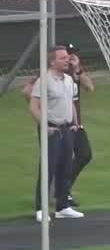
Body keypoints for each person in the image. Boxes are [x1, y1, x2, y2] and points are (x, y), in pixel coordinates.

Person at [27, 45, 84, 220]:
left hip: (67, 129)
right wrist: (45, 126)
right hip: (52, 130)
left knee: (65, 168)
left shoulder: (69, 79)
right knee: (48, 168)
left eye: (67, 57)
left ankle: (62, 206)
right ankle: (41, 208)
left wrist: (75, 123)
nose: (67, 60)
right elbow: (34, 107)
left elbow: (71, 103)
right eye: (62, 58)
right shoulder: (43, 80)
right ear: (52, 61)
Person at [64, 44, 94, 206]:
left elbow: (90, 87)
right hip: (61, 125)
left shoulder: (75, 72)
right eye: (68, 54)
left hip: (76, 124)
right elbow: (28, 91)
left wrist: (78, 70)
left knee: (84, 154)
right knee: (61, 160)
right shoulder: (54, 74)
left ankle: (63, 188)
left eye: (73, 54)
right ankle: (61, 193)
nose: (71, 57)